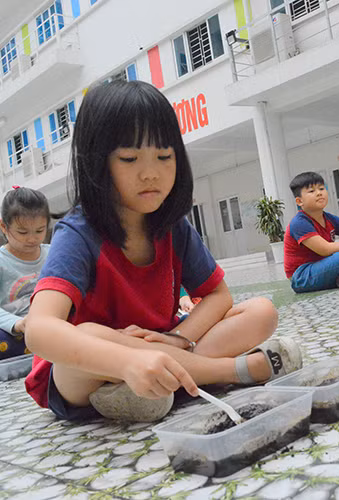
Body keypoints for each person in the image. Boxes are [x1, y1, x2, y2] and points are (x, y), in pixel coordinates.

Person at [24, 81, 302, 423]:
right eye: (129, 158)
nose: (150, 173)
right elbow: (39, 330)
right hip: (89, 369)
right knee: (89, 334)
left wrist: (178, 339)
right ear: (96, 162)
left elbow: (219, 296)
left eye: (164, 156)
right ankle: (230, 371)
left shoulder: (172, 226)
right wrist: (128, 361)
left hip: (164, 340)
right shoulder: (79, 233)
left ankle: (149, 388)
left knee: (261, 311)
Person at [283, 172, 339, 293]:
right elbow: (325, 249)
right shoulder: (299, 223)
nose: (319, 193)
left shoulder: (329, 219)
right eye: (311, 191)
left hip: (324, 267)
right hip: (302, 277)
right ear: (299, 201)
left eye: (321, 188)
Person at [0, 187, 50, 360]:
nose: (32, 239)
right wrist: (16, 323)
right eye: (22, 232)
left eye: (39, 231)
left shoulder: (54, 253)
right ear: (4, 227)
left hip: (53, 325)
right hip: (15, 331)